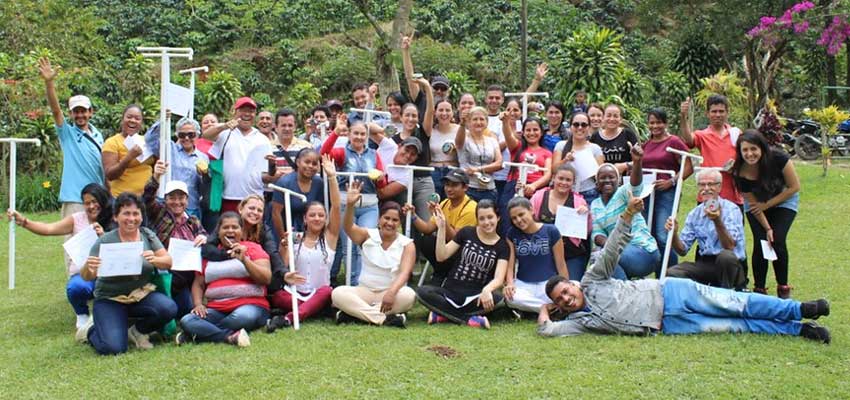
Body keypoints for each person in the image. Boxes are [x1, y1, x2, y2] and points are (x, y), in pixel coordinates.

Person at [537, 195, 832, 344]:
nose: (565, 298)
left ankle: (799, 309)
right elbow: (548, 332)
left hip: (672, 294)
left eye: (564, 291)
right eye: (561, 300)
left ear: (573, 284)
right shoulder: (580, 322)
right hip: (670, 325)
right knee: (737, 324)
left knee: (737, 304)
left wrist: (627, 216)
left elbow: (612, 249)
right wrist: (545, 310)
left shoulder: (591, 280)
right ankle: (800, 330)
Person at [77, 193, 176, 355]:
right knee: (114, 348)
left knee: (168, 308)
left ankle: (138, 331)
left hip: (139, 295)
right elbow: (87, 276)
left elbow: (168, 261)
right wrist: (89, 266)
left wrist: (155, 260)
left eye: (136, 213)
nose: (131, 218)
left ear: (141, 217)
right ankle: (90, 331)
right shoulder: (105, 241)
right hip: (110, 299)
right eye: (126, 213)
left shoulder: (147, 235)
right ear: (116, 217)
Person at [6, 183, 112, 330]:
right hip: (85, 273)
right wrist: (24, 222)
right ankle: (82, 314)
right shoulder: (77, 219)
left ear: (103, 200)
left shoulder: (115, 219)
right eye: (87, 203)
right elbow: (49, 229)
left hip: (110, 274)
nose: (91, 206)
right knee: (76, 287)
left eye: (95, 201)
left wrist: (103, 236)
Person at [266, 155, 343, 330]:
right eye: (312, 215)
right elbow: (283, 264)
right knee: (278, 296)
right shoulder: (295, 237)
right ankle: (315, 310)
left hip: (319, 293)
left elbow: (336, 207)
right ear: (305, 219)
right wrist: (284, 245)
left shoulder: (329, 237)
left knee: (327, 291)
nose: (317, 218)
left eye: (321, 215)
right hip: (293, 293)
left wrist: (331, 177)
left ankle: (287, 319)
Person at [177, 212, 272, 347]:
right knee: (187, 320)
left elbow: (266, 278)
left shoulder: (253, 248)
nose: (230, 231)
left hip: (250, 305)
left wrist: (245, 260)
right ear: (219, 232)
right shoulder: (209, 253)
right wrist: (198, 304)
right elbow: (198, 284)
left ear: (241, 230)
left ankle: (198, 333)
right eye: (226, 228)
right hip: (217, 309)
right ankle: (228, 337)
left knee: (242, 317)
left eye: (235, 227)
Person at [416, 200, 511, 329]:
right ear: (477, 220)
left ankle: (443, 315)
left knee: (498, 299)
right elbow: (441, 256)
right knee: (423, 291)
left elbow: (499, 278)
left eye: (490, 217)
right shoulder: (467, 233)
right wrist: (442, 227)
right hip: (450, 291)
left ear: (498, 217)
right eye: (482, 218)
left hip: (475, 297)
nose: (486, 222)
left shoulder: (502, 246)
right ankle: (468, 319)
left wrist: (487, 290)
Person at [331, 182, 415, 328]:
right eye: (386, 218)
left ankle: (355, 315)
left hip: (390, 293)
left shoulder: (407, 244)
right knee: (338, 293)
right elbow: (348, 227)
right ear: (379, 220)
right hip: (365, 291)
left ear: (400, 223)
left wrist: (392, 292)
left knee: (409, 295)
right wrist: (350, 205)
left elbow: (405, 273)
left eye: (395, 220)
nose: (390, 223)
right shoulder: (367, 235)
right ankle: (382, 318)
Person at [37, 57, 106, 228]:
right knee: (74, 248)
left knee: (96, 248)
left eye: (83, 111)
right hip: (76, 199)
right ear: (71, 114)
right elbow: (55, 110)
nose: (80, 115)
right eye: (76, 112)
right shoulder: (67, 133)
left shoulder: (98, 135)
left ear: (91, 112)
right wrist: (49, 83)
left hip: (97, 199)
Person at [732, 131, 800, 298]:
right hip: (756, 205)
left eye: (753, 149)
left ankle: (783, 287)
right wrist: (767, 227)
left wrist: (768, 205)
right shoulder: (739, 171)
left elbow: (794, 187)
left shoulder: (779, 158)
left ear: (762, 148)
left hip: (784, 199)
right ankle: (759, 289)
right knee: (762, 241)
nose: (750, 154)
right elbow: (754, 205)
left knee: (777, 240)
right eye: (745, 150)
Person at [322, 118, 386, 286]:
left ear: (367, 136)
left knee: (365, 244)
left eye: (363, 134)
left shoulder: (374, 154)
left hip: (369, 206)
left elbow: (382, 183)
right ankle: (352, 284)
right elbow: (324, 154)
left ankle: (361, 282)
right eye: (355, 133)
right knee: (349, 245)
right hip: (345, 204)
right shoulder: (342, 153)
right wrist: (336, 132)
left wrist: (380, 178)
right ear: (349, 135)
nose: (359, 137)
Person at [144, 161, 209, 318]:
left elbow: (205, 235)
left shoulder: (193, 220)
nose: (177, 202)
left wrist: (203, 237)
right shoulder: (159, 213)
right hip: (165, 271)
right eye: (172, 197)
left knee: (184, 310)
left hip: (186, 274)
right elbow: (146, 198)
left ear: (187, 200)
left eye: (181, 198)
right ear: (165, 199)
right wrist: (156, 176)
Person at [665, 169, 747, 290]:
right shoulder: (694, 214)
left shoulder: (732, 209)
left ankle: (726, 295)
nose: (706, 188)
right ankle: (696, 301)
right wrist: (674, 234)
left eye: (711, 184)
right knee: (673, 273)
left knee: (726, 257)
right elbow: (682, 250)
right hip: (706, 264)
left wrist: (717, 220)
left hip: (730, 264)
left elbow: (729, 245)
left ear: (719, 187)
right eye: (702, 184)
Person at [590, 144, 660, 279]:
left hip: (643, 251)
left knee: (605, 258)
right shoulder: (595, 204)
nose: (607, 180)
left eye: (611, 177)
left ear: (619, 180)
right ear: (597, 182)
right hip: (618, 251)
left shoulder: (624, 193)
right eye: (603, 178)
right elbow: (597, 233)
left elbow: (636, 183)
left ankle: (624, 294)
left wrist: (637, 162)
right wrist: (610, 245)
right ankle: (625, 292)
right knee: (604, 259)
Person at [403, 169, 478, 285]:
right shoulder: (445, 203)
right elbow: (427, 229)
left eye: (454, 185)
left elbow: (457, 240)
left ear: (465, 188)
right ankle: (441, 273)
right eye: (447, 185)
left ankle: (445, 274)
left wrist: (441, 219)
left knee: (435, 243)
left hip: (465, 252)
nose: (449, 189)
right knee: (426, 241)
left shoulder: (471, 208)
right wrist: (413, 215)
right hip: (448, 249)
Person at [202, 96, 272, 213]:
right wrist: (224, 126)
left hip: (254, 198)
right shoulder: (226, 132)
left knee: (252, 230)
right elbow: (206, 135)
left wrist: (273, 172)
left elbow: (265, 173)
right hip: (228, 196)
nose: (247, 114)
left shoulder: (262, 139)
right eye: (243, 110)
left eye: (251, 111)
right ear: (235, 112)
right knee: (230, 229)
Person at [641, 108, 690, 266]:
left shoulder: (673, 142)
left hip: (667, 194)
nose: (655, 126)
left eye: (659, 122)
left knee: (664, 235)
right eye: (652, 122)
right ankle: (658, 275)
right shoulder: (646, 144)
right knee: (651, 234)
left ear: (666, 123)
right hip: (648, 194)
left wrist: (672, 181)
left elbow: (688, 166)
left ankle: (671, 274)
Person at [503, 197, 568, 313]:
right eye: (514, 218)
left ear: (531, 210)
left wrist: (566, 286)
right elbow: (510, 264)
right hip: (524, 284)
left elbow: (561, 263)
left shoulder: (551, 231)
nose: (518, 220)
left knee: (577, 285)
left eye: (521, 214)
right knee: (510, 297)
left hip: (548, 284)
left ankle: (530, 309)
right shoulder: (511, 234)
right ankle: (550, 308)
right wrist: (510, 283)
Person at [530, 165, 592, 280]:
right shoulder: (539, 196)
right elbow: (529, 223)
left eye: (568, 180)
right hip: (544, 252)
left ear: (573, 182)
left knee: (572, 286)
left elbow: (587, 232)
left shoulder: (579, 201)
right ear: (553, 178)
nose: (564, 182)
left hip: (571, 254)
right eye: (561, 178)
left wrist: (586, 216)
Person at [680, 95, 743, 206]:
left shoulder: (736, 133)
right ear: (707, 114)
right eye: (714, 111)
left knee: (732, 223)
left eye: (721, 111)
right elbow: (689, 140)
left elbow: (745, 158)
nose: (718, 115)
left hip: (732, 196)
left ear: (727, 113)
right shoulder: (702, 135)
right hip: (707, 193)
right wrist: (683, 117)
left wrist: (736, 167)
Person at [388, 77, 436, 222]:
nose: (410, 119)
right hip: (400, 184)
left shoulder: (423, 132)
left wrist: (427, 88)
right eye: (407, 115)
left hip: (423, 181)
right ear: (401, 117)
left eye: (414, 116)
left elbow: (431, 111)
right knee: (405, 221)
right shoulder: (393, 140)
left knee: (427, 220)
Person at [145, 116, 210, 219]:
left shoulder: (203, 157)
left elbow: (203, 188)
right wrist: (162, 120)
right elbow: (150, 140)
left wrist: (204, 176)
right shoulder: (169, 149)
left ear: (197, 135)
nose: (186, 138)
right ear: (177, 135)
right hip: (168, 204)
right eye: (182, 135)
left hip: (191, 206)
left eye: (191, 135)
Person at [500, 114, 553, 208]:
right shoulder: (517, 147)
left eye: (535, 130)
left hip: (536, 190)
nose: (532, 133)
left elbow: (547, 175)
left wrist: (533, 186)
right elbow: (508, 135)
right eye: (528, 130)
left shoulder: (547, 153)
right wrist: (505, 122)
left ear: (541, 132)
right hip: (514, 187)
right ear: (523, 133)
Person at [271, 148, 325, 238]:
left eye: (314, 164)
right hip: (285, 230)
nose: (311, 166)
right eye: (307, 162)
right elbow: (276, 213)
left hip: (309, 232)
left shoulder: (319, 183)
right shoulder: (284, 182)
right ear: (298, 162)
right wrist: (283, 238)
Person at [551, 112, 604, 204]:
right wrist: (565, 160)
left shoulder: (595, 148)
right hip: (564, 192)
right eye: (576, 124)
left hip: (590, 193)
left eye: (584, 125)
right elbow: (553, 170)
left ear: (588, 127)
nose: (580, 128)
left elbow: (601, 176)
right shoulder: (561, 146)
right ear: (570, 127)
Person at [455, 106, 503, 203]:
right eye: (475, 119)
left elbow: (499, 163)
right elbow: (458, 143)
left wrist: (478, 169)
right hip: (468, 188)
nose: (478, 122)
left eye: (482, 119)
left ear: (487, 122)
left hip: (489, 189)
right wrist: (462, 124)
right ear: (469, 122)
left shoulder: (492, 141)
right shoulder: (464, 138)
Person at [101, 104, 150, 196]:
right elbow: (110, 175)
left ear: (141, 123)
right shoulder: (112, 142)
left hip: (146, 199)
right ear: (122, 119)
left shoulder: (146, 141)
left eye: (137, 118)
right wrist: (129, 157)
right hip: (122, 199)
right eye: (129, 117)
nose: (133, 120)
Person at [590, 104, 639, 173]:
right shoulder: (595, 136)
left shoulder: (628, 134)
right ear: (603, 118)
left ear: (621, 119)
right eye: (608, 115)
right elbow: (590, 161)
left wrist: (625, 165)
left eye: (615, 116)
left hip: (626, 180)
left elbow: (640, 159)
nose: (612, 119)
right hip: (603, 180)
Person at [429, 99, 460, 199]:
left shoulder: (460, 130)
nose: (444, 113)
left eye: (447, 110)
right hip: (434, 172)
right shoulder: (430, 130)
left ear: (453, 112)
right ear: (435, 112)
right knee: (434, 204)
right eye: (441, 110)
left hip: (452, 172)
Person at [378, 137, 423, 205]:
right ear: (399, 146)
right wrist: (383, 130)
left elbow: (382, 194)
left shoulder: (407, 176)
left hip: (378, 197)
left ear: (416, 158)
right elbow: (369, 128)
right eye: (406, 150)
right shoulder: (389, 145)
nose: (408, 155)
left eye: (413, 154)